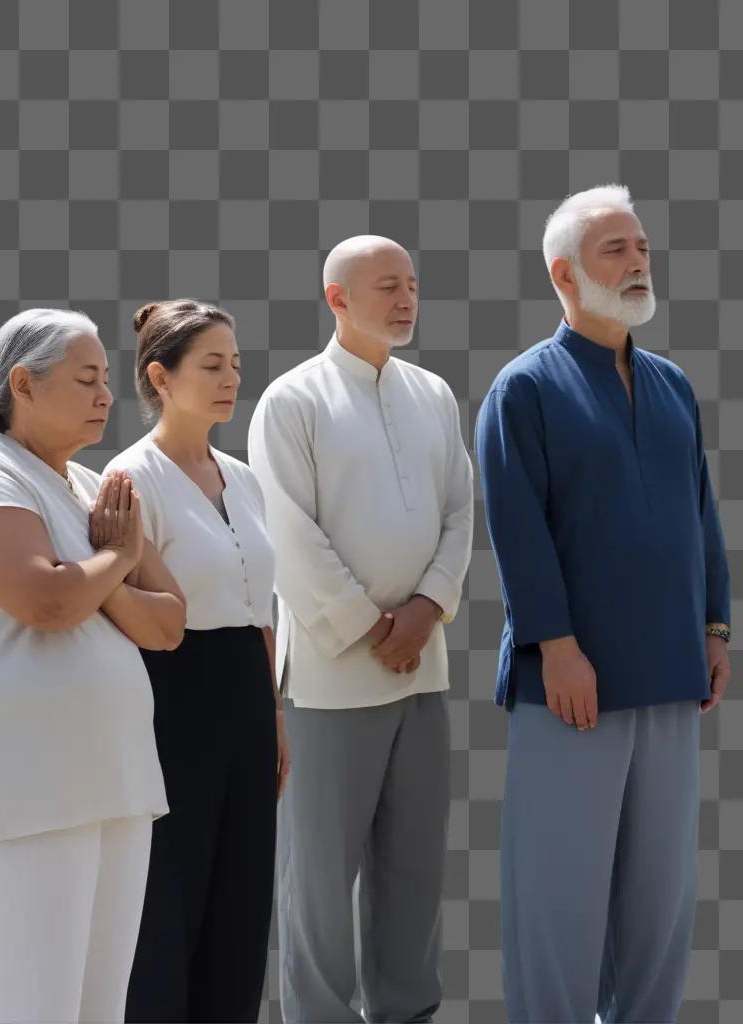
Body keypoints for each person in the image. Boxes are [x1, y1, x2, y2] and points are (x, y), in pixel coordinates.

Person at [475, 184, 732, 1023]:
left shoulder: (670, 385)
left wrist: (717, 626)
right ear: (563, 272)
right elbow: (517, 529)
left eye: (642, 248)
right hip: (572, 686)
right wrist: (556, 644)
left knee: (659, 906)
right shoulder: (524, 389)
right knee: (560, 900)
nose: (637, 263)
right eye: (614, 249)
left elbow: (699, 512)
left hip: (669, 670)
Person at [0, 308, 185, 1024]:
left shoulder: (97, 491)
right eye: (86, 378)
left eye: (106, 381)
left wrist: (90, 576)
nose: (105, 395)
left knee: (96, 1007)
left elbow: (170, 622)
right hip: (13, 779)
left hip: (108, 778)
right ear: (22, 384)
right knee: (20, 1003)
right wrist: (114, 561)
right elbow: (44, 602)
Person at [248, 235, 474, 1023]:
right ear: (336, 296)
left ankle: (408, 1010)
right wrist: (368, 626)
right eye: (387, 285)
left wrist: (425, 612)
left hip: (424, 667)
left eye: (412, 283)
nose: (406, 298)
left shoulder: (435, 395)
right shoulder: (291, 400)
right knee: (318, 874)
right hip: (330, 676)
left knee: (413, 867)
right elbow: (289, 533)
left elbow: (459, 513)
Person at [104, 299, 287, 1023]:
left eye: (235, 365)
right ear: (160, 375)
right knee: (169, 895)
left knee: (243, 894)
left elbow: (262, 605)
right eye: (211, 365)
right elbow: (125, 605)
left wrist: (273, 711)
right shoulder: (129, 478)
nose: (229, 379)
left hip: (247, 688)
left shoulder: (242, 477)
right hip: (171, 693)